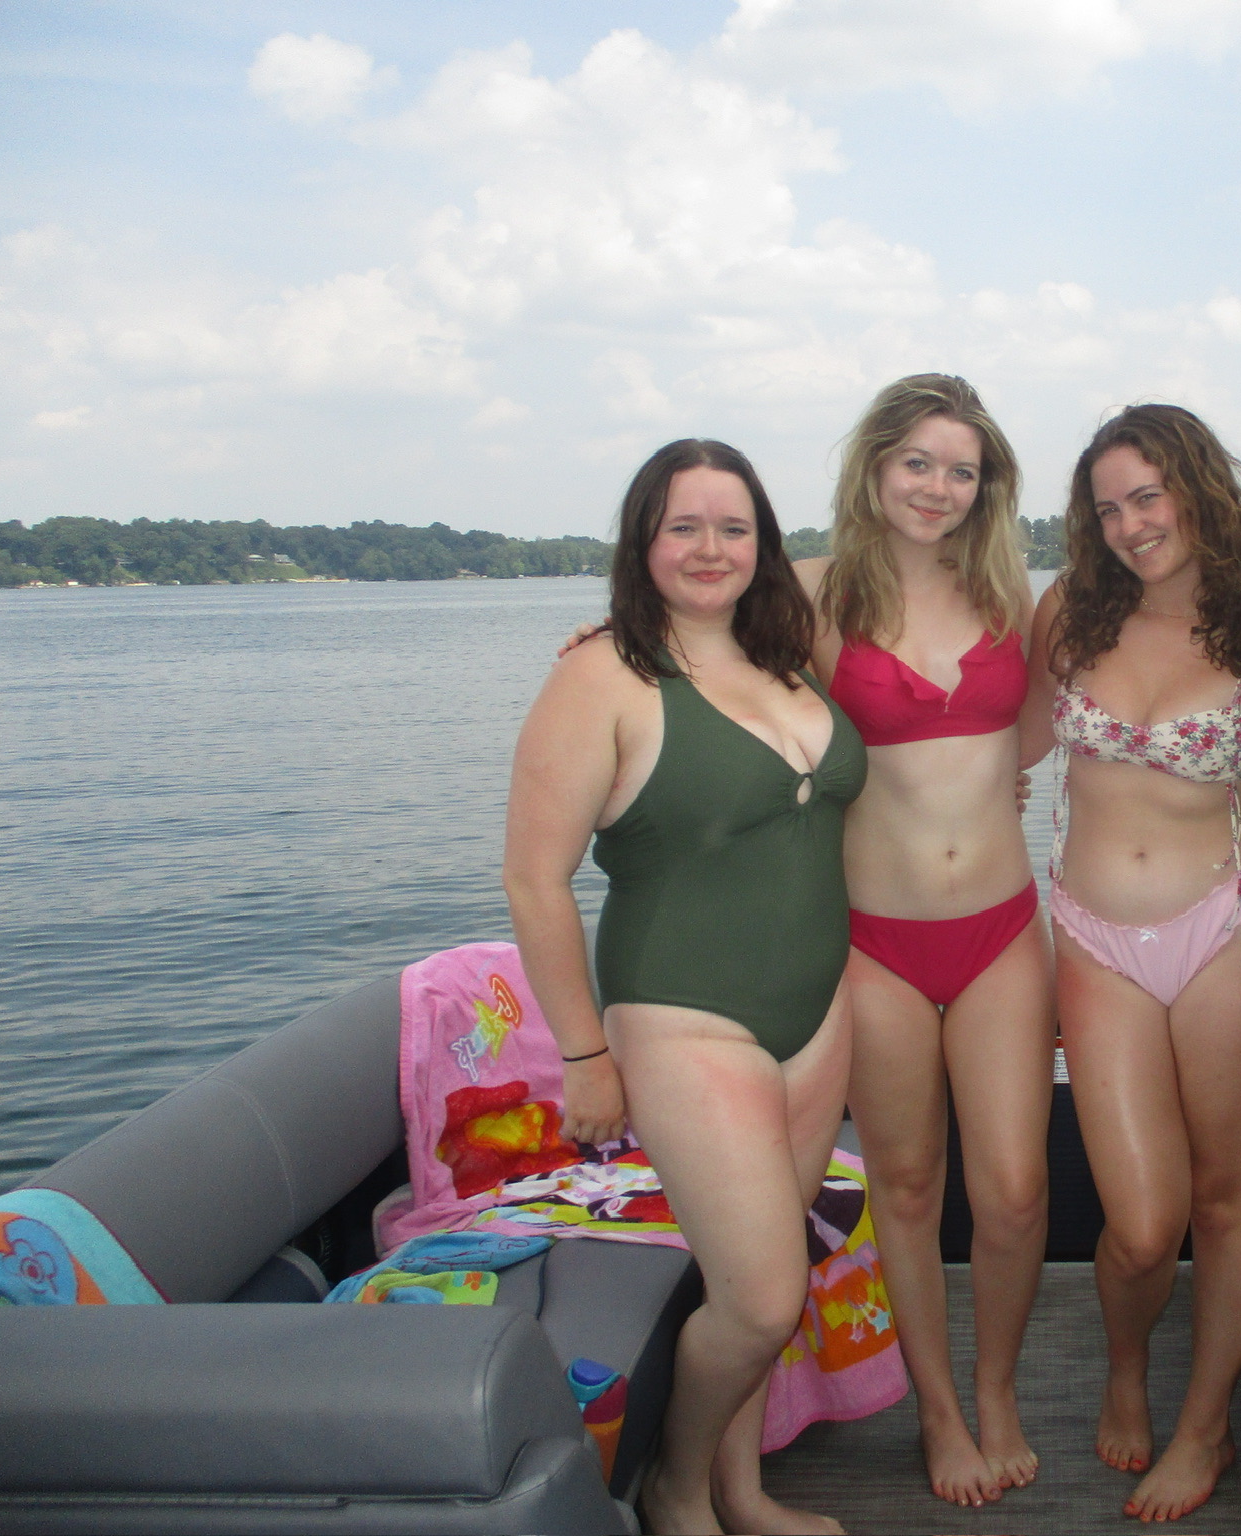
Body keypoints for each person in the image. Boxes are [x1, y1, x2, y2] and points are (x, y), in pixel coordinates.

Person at [504, 439, 862, 1536]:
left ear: (765, 542)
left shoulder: (789, 651)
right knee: (760, 1298)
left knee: (761, 1269)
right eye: (682, 527)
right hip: (682, 1014)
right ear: (641, 543)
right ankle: (674, 1483)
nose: (709, 549)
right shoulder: (600, 674)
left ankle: (742, 1491)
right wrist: (582, 1055)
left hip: (817, 1008)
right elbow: (533, 878)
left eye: (733, 527)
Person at [1020, 403, 1241, 1523]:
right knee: (1137, 1222)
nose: (1130, 525)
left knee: (1222, 1203)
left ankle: (1205, 1423)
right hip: (1091, 931)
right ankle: (1126, 1364)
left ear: (1196, 491)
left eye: (1148, 495)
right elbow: (992, 740)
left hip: (1220, 925)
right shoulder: (1067, 618)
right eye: (1107, 505)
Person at [797, 374, 1054, 1510]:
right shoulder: (808, 598)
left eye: (961, 469)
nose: (938, 488)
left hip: (1000, 930)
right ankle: (939, 1412)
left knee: (1009, 1188)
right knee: (903, 1184)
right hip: (872, 941)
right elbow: (683, 649)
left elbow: (1072, 713)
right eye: (918, 463)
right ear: (874, 468)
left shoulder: (1016, 597)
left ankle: (994, 1388)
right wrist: (608, 633)